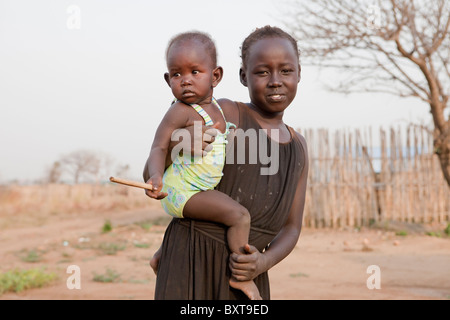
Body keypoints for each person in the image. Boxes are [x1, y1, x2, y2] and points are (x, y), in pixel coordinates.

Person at [144, 25, 309, 300]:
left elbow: (292, 227)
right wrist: (179, 142)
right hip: (191, 259)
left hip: (245, 272)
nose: (275, 81)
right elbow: (153, 171)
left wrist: (262, 263)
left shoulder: (298, 147)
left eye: (286, 70)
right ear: (244, 76)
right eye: (262, 72)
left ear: (299, 74)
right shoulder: (224, 114)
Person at [144, 31, 261, 300]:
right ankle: (241, 277)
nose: (185, 80)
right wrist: (155, 177)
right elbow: (159, 147)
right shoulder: (180, 111)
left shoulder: (219, 109)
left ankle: (161, 258)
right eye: (176, 74)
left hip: (197, 187)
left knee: (203, 219)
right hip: (182, 190)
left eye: (195, 71)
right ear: (167, 80)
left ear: (215, 76)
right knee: (239, 216)